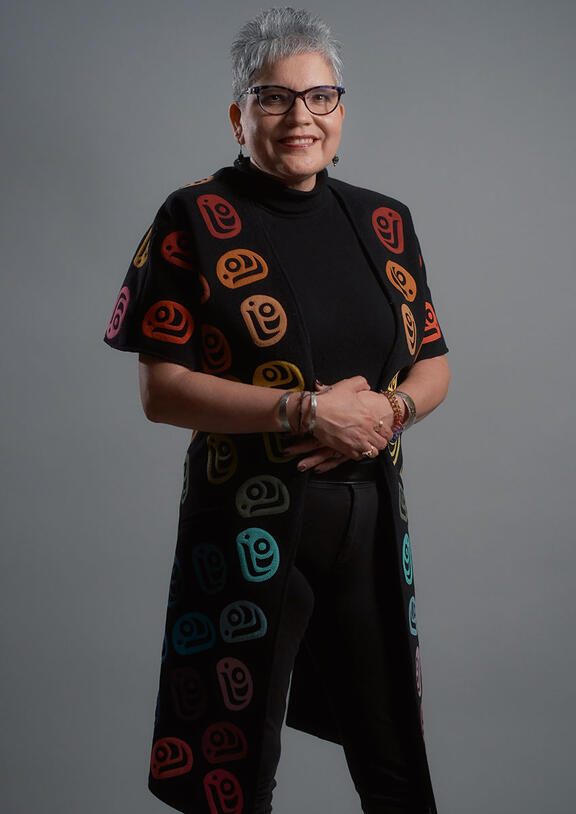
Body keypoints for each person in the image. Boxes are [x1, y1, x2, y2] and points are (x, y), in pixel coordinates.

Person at [104, 8, 450, 814]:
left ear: (342, 109)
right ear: (239, 114)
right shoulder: (191, 217)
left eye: (321, 97)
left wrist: (387, 412)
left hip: (368, 522)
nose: (301, 119)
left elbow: (432, 363)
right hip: (246, 524)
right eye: (275, 98)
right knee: (234, 773)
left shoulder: (385, 222)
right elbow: (161, 391)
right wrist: (305, 411)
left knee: (395, 758)